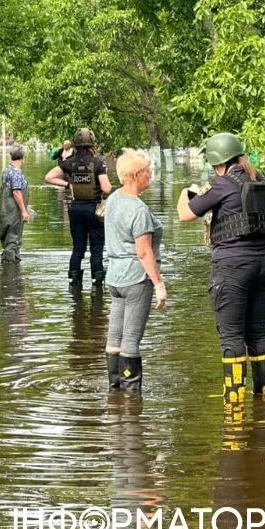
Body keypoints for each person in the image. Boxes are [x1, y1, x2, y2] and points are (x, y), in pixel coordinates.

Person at [177, 132, 265, 402]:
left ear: (216, 161)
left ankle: (234, 406)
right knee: (257, 332)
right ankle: (264, 399)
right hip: (264, 263)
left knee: (231, 336)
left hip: (232, 266)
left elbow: (185, 214)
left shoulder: (223, 184)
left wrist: (185, 192)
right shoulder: (262, 180)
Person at [103, 149, 166, 391]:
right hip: (136, 279)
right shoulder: (138, 209)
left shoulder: (113, 200)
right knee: (130, 339)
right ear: (136, 174)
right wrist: (159, 284)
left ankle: (114, 392)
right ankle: (131, 401)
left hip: (115, 277)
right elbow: (143, 252)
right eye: (148, 172)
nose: (150, 176)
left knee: (114, 338)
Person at [45, 128, 113, 287]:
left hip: (75, 210)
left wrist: (68, 184)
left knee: (78, 249)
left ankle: (74, 283)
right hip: (94, 211)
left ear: (75, 144)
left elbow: (49, 177)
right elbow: (107, 188)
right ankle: (97, 283)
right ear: (92, 144)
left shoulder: (69, 162)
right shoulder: (97, 163)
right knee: (96, 249)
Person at [0, 145, 31, 264]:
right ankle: (11, 274)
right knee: (13, 241)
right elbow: (17, 192)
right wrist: (24, 211)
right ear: (23, 158)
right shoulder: (16, 172)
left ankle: (9, 270)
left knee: (8, 240)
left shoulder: (6, 169)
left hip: (5, 211)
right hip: (14, 212)